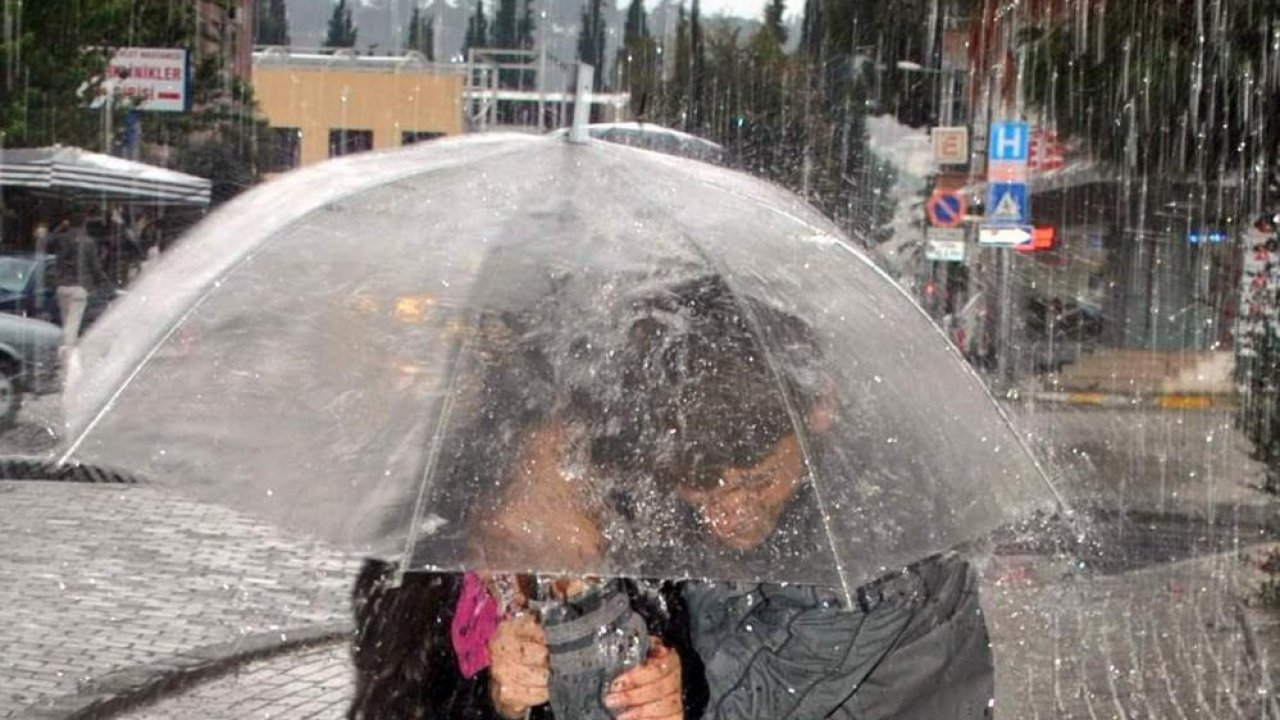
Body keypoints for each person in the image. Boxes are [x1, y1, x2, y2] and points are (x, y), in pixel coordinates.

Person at [584, 275, 995, 719]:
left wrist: (675, 693)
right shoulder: (657, 488)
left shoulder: (879, 542)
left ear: (819, 409)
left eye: (758, 481)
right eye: (702, 489)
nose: (731, 514)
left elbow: (749, 703)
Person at [45, 211, 111, 355]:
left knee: (66, 323)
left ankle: (62, 352)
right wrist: (104, 283)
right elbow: (95, 267)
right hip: (78, 288)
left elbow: (45, 241)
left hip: (62, 287)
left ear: (68, 223)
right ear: (84, 223)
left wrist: (59, 227)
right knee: (73, 326)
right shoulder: (88, 242)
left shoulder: (62, 239)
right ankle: (67, 355)